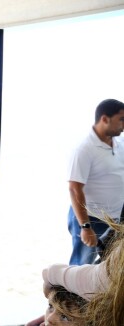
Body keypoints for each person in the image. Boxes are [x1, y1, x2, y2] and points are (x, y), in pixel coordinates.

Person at [67, 98, 124, 265]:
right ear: (104, 119)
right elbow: (74, 189)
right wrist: (85, 227)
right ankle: (71, 291)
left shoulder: (119, 144)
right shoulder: (84, 149)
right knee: (81, 265)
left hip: (115, 220)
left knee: (109, 265)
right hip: (91, 219)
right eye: (121, 119)